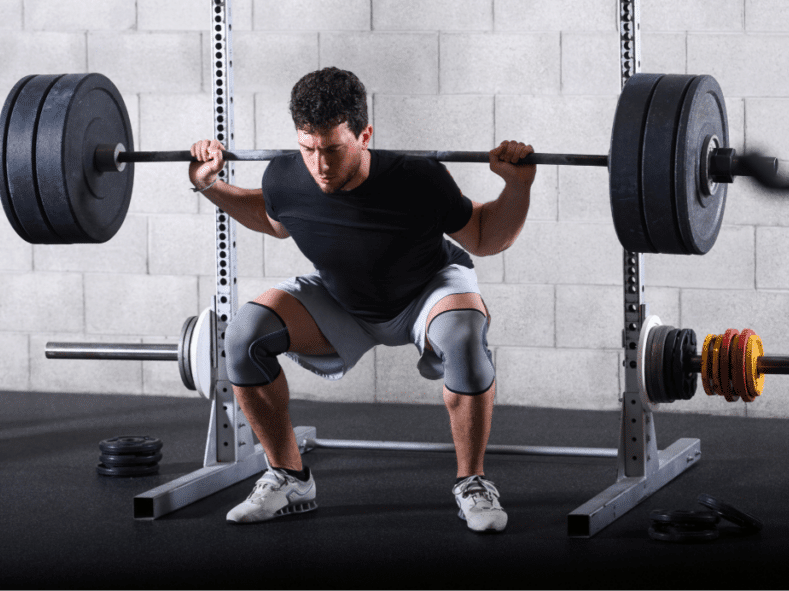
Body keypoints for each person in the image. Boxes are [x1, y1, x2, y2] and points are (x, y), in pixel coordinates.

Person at [188, 67, 535, 533]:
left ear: (365, 134)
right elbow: (272, 218)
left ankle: (472, 483)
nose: (320, 165)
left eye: (333, 149)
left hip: (425, 292)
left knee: (465, 339)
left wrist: (517, 186)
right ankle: (290, 478)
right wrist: (210, 184)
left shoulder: (418, 178)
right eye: (308, 149)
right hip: (342, 297)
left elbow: (485, 236)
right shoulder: (286, 178)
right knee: (244, 336)